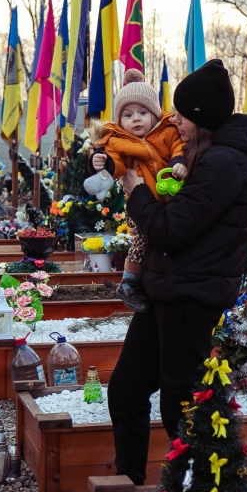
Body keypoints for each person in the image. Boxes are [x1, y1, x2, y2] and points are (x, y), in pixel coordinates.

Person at [106, 59, 247, 485]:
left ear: (199, 118)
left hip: (189, 298)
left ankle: (195, 484)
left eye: (180, 112)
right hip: (168, 291)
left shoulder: (224, 164)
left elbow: (169, 230)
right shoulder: (207, 156)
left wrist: (135, 190)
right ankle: (130, 480)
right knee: (126, 389)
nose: (171, 119)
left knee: (181, 401)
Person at [88, 69, 187, 312]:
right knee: (141, 239)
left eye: (143, 113)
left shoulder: (168, 130)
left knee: (162, 238)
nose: (136, 119)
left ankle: (147, 278)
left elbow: (180, 146)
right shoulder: (117, 140)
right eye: (129, 115)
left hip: (169, 195)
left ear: (155, 114)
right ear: (120, 120)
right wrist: (104, 163)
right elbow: (116, 161)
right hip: (139, 200)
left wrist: (179, 162)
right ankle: (129, 281)